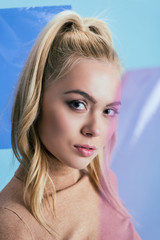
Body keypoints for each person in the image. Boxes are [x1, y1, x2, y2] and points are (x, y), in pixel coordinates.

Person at [0, 10, 142, 240]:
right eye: (78, 104)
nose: (94, 129)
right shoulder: (13, 222)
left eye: (108, 110)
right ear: (37, 99)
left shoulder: (105, 181)